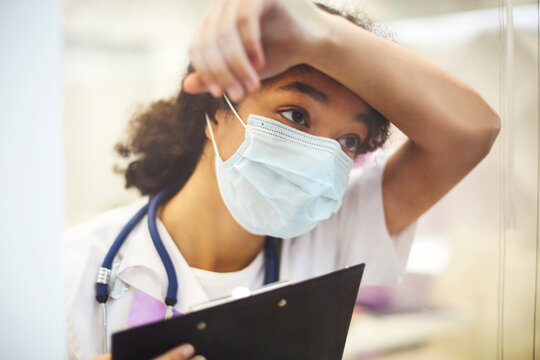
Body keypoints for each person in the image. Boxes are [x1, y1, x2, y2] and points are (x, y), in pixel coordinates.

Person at [63, 0, 500, 359]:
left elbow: (473, 131)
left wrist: (324, 35)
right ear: (216, 106)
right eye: (296, 115)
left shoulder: (335, 233)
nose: (320, 157)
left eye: (349, 140)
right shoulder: (70, 267)